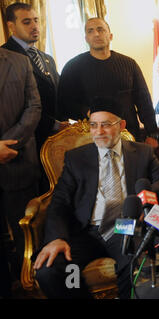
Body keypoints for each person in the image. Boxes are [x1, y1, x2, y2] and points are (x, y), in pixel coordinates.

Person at [33, 98, 159, 299]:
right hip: (86, 231)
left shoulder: (141, 152)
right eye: (93, 125)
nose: (98, 132)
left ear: (121, 125)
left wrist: (144, 199)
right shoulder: (76, 157)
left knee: (136, 266)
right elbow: (60, 201)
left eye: (106, 125)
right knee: (50, 270)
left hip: (126, 228)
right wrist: (56, 238)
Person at [56, 17, 158, 146]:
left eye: (100, 29)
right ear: (86, 38)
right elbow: (64, 104)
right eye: (90, 31)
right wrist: (88, 112)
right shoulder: (73, 67)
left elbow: (144, 101)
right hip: (91, 138)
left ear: (110, 36)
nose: (96, 34)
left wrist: (152, 134)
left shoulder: (129, 64)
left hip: (130, 136)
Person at [2, 2, 67, 194]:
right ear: (11, 26)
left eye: (36, 20)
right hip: (25, 146)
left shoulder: (46, 58)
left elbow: (57, 95)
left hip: (54, 142)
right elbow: (24, 106)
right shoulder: (6, 56)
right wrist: (53, 124)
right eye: (27, 22)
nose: (35, 26)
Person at [0, 48, 42, 298]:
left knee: (25, 233)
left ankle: (27, 285)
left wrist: (7, 145)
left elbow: (34, 107)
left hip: (18, 161)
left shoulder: (20, 62)